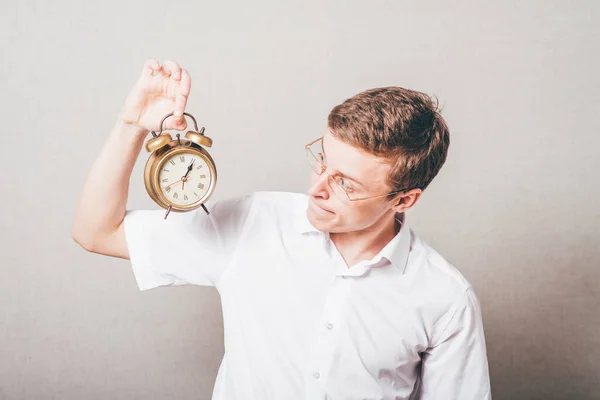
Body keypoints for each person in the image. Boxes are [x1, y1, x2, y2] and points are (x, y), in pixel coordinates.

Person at [72, 59, 491, 400]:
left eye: (347, 183)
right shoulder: (254, 223)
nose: (318, 188)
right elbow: (96, 232)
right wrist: (132, 125)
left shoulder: (446, 299)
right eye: (323, 161)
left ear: (403, 200)